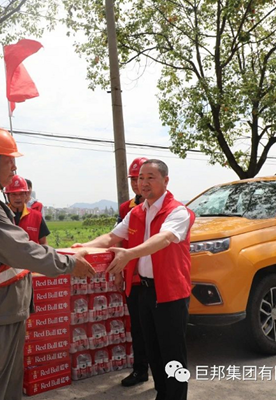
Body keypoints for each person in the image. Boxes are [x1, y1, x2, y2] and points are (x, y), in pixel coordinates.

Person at [0, 128, 96, 400]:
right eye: (9, 161)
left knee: (5, 390)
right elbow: (20, 250)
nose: (15, 167)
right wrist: (68, 264)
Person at [77, 159, 194, 400]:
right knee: (153, 351)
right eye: (141, 178)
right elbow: (111, 237)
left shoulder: (177, 211)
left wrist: (130, 253)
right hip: (144, 291)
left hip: (170, 293)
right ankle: (162, 394)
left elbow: (163, 239)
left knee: (172, 354)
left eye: (150, 177)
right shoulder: (136, 212)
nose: (144, 182)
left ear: (166, 181)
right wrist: (84, 248)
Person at [118, 157, 150, 387]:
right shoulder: (125, 209)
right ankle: (140, 370)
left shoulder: (163, 207)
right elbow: (119, 238)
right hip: (133, 277)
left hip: (154, 277)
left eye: (140, 179)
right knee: (137, 328)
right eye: (133, 180)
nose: (137, 184)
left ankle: (164, 375)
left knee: (157, 329)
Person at [4, 175, 50, 245]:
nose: (18, 198)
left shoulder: (37, 216)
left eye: (21, 194)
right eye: (13, 194)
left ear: (26, 194)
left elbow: (43, 243)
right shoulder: (1, 215)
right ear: (8, 196)